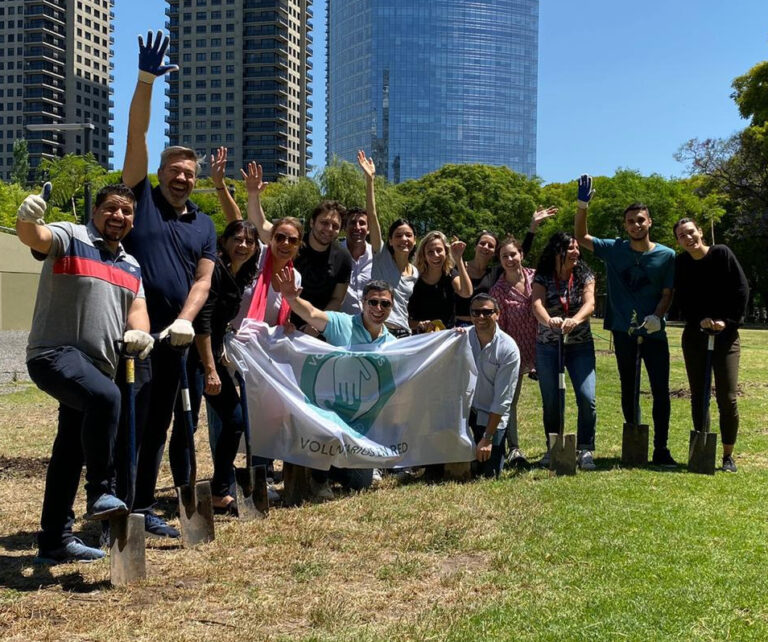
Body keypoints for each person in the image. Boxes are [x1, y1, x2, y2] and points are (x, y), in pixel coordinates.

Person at [16, 183, 153, 563]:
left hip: (96, 367)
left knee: (69, 450)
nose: (119, 217)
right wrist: (27, 219)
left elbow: (137, 307)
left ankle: (55, 540)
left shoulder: (131, 263)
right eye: (111, 208)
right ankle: (100, 491)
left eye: (126, 212)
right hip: (53, 354)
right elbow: (38, 237)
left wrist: (139, 331)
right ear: (96, 212)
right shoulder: (71, 236)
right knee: (107, 398)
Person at [122, 30, 217, 537]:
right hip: (132, 335)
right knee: (127, 425)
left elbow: (203, 281)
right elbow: (136, 136)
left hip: (174, 340)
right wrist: (145, 83)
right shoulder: (141, 199)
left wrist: (184, 321)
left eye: (189, 174)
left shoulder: (203, 225)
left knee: (158, 427)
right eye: (174, 171)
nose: (182, 178)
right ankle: (113, 504)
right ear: (158, 173)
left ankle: (139, 506)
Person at [574, 174, 677, 467]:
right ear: (625, 225)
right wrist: (583, 206)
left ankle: (661, 448)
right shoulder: (615, 248)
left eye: (641, 220)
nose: (636, 225)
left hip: (655, 333)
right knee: (629, 387)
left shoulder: (667, 256)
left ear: (650, 222)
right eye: (631, 221)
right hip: (624, 331)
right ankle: (635, 442)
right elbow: (582, 237)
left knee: (660, 389)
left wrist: (657, 316)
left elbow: (668, 292)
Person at [277, 271, 397, 498]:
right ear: (362, 303)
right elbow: (312, 313)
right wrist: (292, 300)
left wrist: (453, 337)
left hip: (359, 423)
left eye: (385, 304)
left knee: (361, 483)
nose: (378, 309)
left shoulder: (392, 343)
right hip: (328, 414)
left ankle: (324, 466)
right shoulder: (342, 323)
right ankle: (316, 474)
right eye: (373, 302)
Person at [186, 221, 261, 514]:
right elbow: (201, 322)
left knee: (235, 420)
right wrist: (210, 369)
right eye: (237, 239)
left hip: (212, 356)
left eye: (249, 241)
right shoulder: (215, 270)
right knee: (186, 426)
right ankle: (183, 489)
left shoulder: (238, 273)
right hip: (193, 357)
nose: (243, 245)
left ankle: (219, 490)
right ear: (225, 240)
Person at [673, 218, 749, 472]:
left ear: (701, 232)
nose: (688, 238)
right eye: (682, 236)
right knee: (699, 395)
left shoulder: (721, 254)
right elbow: (682, 298)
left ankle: (728, 455)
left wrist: (727, 322)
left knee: (727, 398)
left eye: (691, 232)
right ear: (679, 241)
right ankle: (702, 449)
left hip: (726, 338)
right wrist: (699, 320)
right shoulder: (681, 263)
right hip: (695, 337)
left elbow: (741, 290)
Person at [531, 232, 597, 470]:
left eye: (577, 248)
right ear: (557, 251)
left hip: (580, 345)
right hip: (549, 345)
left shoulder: (584, 274)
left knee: (587, 397)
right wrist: (549, 321)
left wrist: (575, 320)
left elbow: (590, 303)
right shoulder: (543, 276)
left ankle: (586, 449)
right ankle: (553, 447)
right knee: (551, 399)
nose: (576, 253)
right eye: (570, 248)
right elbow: (536, 303)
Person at [455, 207, 558, 324]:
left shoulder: (494, 273)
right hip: (459, 327)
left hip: (485, 324)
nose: (486, 247)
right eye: (482, 243)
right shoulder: (458, 267)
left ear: (495, 253)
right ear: (475, 246)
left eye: (490, 245)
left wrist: (533, 226)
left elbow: (518, 253)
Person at [489, 235, 538, 465]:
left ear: (522, 255)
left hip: (540, 348)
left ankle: (553, 445)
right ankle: (514, 448)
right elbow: (499, 328)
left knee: (553, 396)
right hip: (514, 352)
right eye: (504, 256)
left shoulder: (536, 277)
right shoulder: (498, 290)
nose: (509, 259)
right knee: (510, 401)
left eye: (513, 254)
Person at [465, 294, 521, 478]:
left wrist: (488, 438)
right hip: (465, 413)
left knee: (490, 473)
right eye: (476, 312)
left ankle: (492, 443)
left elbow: (502, 400)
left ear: (497, 314)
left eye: (487, 312)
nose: (481, 317)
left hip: (490, 415)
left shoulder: (508, 348)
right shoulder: (461, 338)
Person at [408, 231, 472, 332]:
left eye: (439, 250)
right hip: (420, 340)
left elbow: (467, 292)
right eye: (430, 252)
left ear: (446, 252)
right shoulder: (415, 277)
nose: (435, 255)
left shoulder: (450, 274)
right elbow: (408, 320)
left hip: (445, 338)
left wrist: (459, 259)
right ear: (424, 255)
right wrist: (421, 324)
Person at [340, 150, 377, 314]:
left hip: (370, 327)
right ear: (344, 227)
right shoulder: (334, 252)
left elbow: (373, 213)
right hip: (339, 329)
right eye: (352, 223)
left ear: (369, 229)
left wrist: (370, 180)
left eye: (362, 223)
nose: (357, 227)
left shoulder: (377, 255)